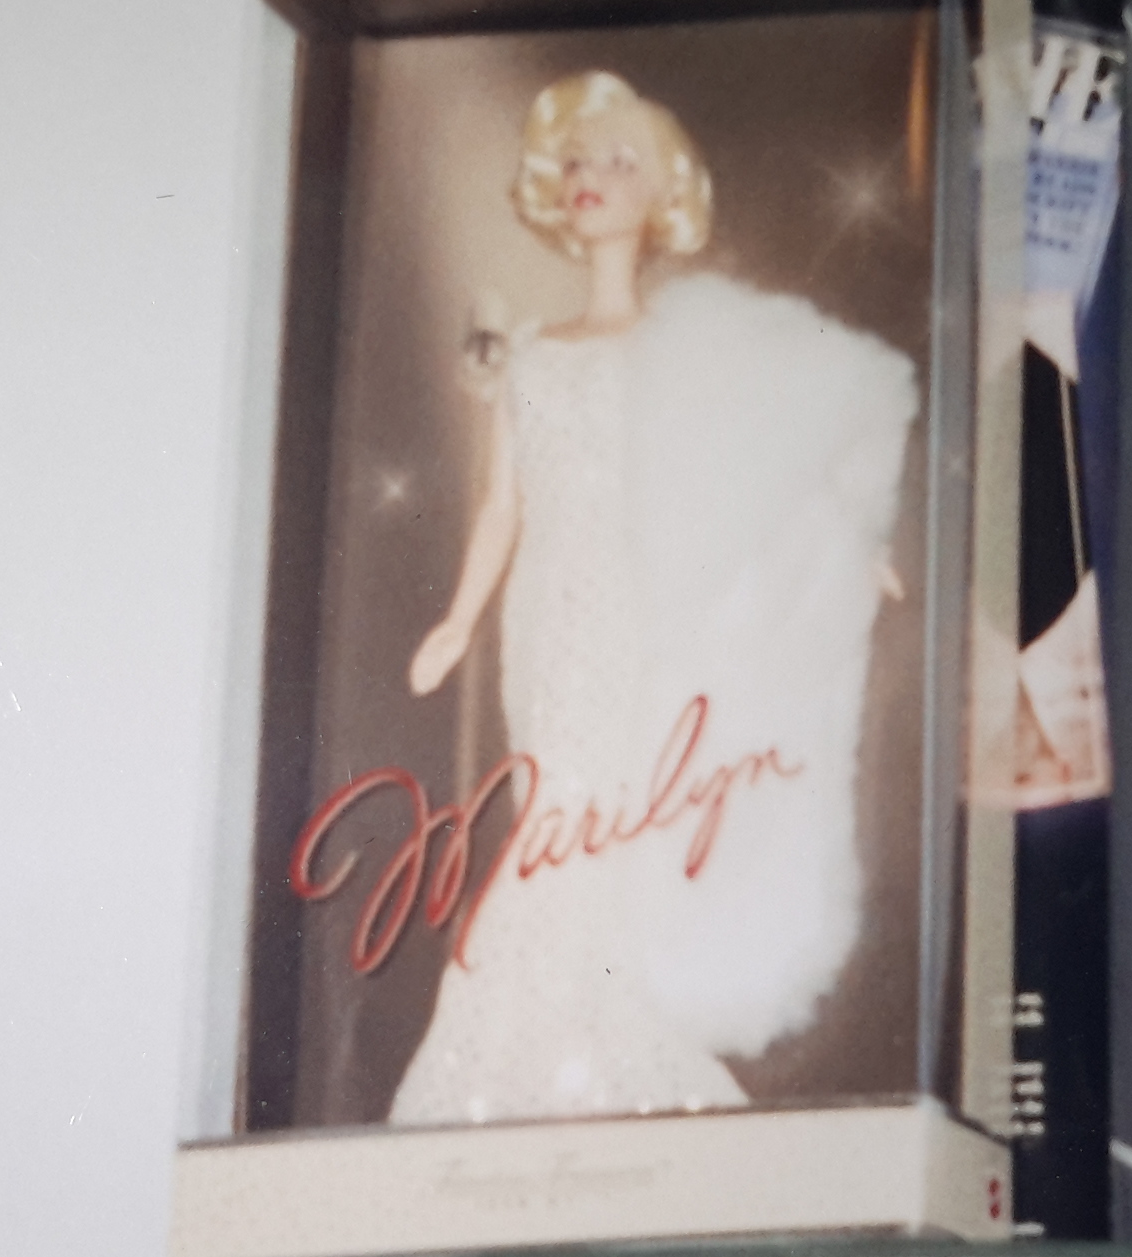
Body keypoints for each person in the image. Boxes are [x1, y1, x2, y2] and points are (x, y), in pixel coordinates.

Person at [386, 70, 916, 1127]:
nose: (592, 179)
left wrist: (845, 542)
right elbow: (502, 504)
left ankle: (597, 1048)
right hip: (552, 617)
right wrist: (458, 619)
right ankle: (544, 1054)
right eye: (579, 161)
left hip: (646, 610)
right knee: (558, 809)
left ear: (661, 191)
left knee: (622, 820)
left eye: (620, 162)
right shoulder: (531, 358)